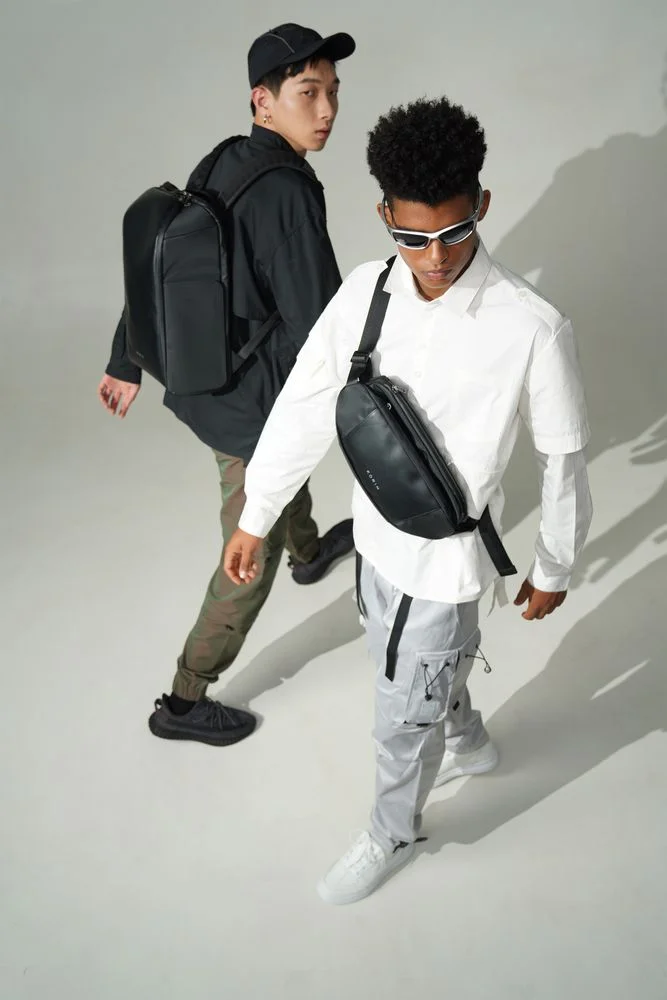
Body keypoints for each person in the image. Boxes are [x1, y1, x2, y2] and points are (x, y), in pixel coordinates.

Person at [223, 96, 593, 904]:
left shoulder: (531, 326)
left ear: (481, 205)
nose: (435, 257)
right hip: (374, 541)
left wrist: (554, 564)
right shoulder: (366, 291)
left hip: (448, 565)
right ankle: (467, 737)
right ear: (384, 215)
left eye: (454, 232)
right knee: (399, 664)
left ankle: (392, 831)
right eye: (412, 236)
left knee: (398, 716)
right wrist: (256, 515)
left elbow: (562, 460)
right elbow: (304, 403)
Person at [97, 24, 356, 747]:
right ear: (262, 100)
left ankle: (311, 554)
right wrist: (362, 395)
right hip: (247, 408)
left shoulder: (226, 158)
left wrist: (125, 359)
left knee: (284, 478)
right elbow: (322, 322)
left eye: (333, 93)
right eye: (308, 93)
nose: (327, 111)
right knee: (248, 550)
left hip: (205, 383)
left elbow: (165, 266)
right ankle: (183, 701)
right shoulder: (287, 191)